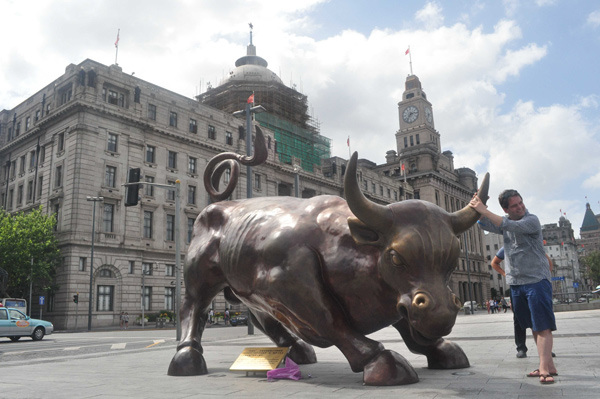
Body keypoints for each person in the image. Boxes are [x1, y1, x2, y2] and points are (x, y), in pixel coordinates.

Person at [470, 189, 557, 384]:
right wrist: (478, 202)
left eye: (521, 202)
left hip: (536, 280)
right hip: (517, 284)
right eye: (514, 205)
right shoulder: (505, 223)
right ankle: (549, 364)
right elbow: (483, 222)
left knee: (542, 325)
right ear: (505, 209)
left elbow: (503, 223)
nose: (520, 207)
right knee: (534, 325)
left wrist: (484, 209)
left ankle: (544, 368)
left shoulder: (531, 220)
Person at [492, 246, 557, 359]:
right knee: (518, 318)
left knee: (537, 315)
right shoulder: (506, 248)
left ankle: (544, 350)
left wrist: (545, 277)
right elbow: (494, 263)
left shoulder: (531, 243)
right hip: (516, 286)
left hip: (533, 284)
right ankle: (521, 348)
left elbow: (547, 261)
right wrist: (505, 274)